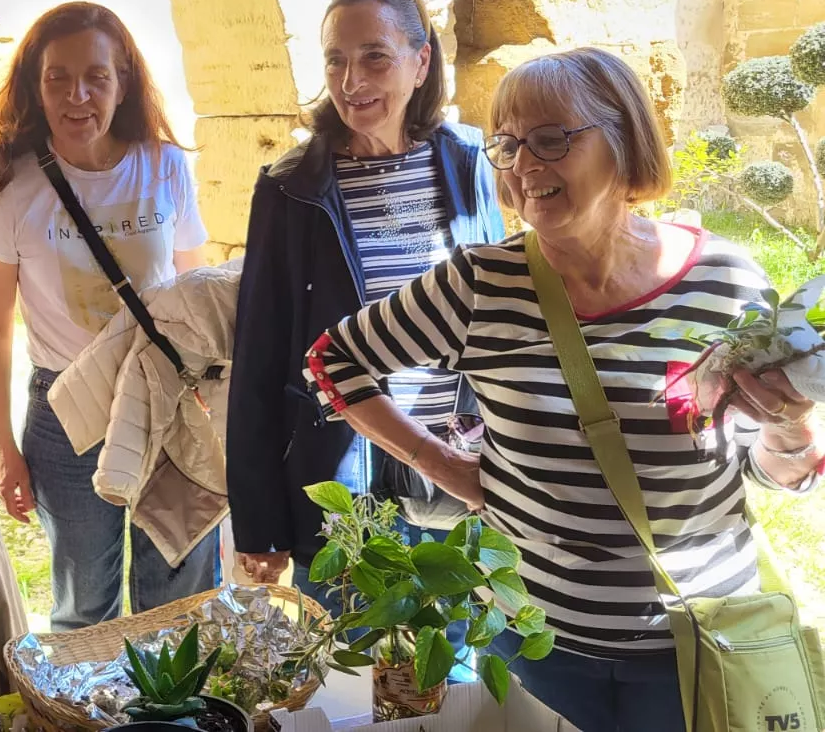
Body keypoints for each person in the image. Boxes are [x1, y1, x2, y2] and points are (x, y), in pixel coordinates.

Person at [305, 46, 822, 731]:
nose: (523, 167)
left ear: (624, 143)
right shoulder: (479, 285)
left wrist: (790, 427)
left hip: (695, 649)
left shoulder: (725, 283)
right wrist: (446, 467)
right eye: (509, 145)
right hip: (537, 646)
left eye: (552, 141)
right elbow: (332, 360)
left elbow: (770, 468)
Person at [227, 0, 504, 607]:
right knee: (354, 667)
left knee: (455, 661)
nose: (353, 81)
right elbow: (261, 357)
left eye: (375, 56)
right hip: (344, 469)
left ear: (420, 59)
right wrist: (260, 521)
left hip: (458, 461)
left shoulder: (469, 160)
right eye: (336, 60)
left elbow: (493, 309)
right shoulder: (292, 186)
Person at [0, 1, 219, 631]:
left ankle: (173, 723)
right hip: (66, 410)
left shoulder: (163, 166)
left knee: (180, 599)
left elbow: (198, 289)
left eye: (96, 77)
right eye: (58, 78)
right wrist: (3, 446)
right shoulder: (12, 188)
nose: (77, 96)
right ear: (35, 85)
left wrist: (218, 393)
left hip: (166, 397)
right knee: (85, 612)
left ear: (124, 82)